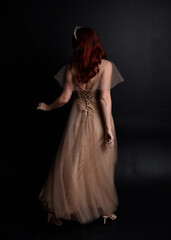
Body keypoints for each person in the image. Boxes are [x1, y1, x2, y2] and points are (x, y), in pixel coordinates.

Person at [36, 26, 124, 226]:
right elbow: (103, 98)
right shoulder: (106, 66)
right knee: (99, 162)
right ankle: (98, 206)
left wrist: (47, 107)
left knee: (74, 160)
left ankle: (65, 207)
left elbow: (65, 98)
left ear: (79, 46)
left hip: (77, 118)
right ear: (95, 43)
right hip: (98, 120)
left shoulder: (72, 65)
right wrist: (108, 130)